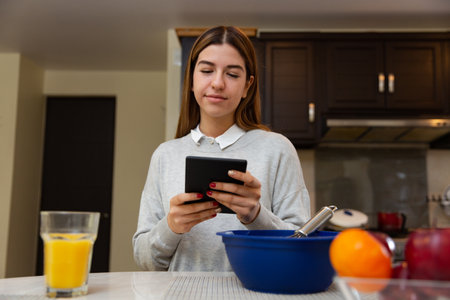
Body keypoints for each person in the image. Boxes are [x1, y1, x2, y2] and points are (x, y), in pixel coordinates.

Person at [133, 25, 310, 272]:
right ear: (192, 80)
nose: (217, 83)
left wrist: (255, 215)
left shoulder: (277, 149)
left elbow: (301, 248)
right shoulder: (165, 155)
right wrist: (171, 226)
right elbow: (145, 260)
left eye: (233, 75)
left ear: (248, 86)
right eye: (206, 70)